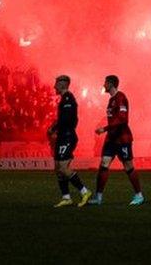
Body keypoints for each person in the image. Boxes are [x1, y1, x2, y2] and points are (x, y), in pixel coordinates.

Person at [87, 75, 143, 206]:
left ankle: (139, 195)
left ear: (111, 84)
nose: (103, 85)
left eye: (105, 83)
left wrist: (105, 129)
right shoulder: (111, 99)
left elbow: (123, 119)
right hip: (111, 139)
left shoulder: (120, 97)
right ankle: (98, 197)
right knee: (104, 164)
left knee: (128, 166)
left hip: (122, 138)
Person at [48, 75, 91, 207]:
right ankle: (66, 197)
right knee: (58, 167)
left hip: (67, 136)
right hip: (62, 136)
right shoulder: (64, 99)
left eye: (56, 83)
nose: (54, 86)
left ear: (63, 84)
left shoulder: (68, 98)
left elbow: (67, 119)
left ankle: (84, 191)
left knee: (63, 167)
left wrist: (54, 127)